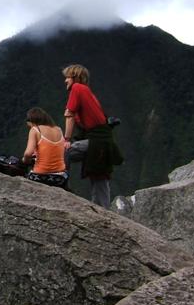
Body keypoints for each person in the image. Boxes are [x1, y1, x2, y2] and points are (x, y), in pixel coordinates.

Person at [61, 63, 123, 208]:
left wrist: (67, 139)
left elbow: (69, 115)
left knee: (65, 151)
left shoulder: (77, 88)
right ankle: (103, 212)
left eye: (68, 77)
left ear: (75, 77)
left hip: (97, 142)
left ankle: (60, 184)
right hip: (102, 142)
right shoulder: (87, 91)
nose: (65, 80)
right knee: (99, 177)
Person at [21, 107, 69, 190]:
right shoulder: (59, 129)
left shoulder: (35, 130)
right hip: (60, 177)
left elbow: (28, 153)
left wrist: (25, 160)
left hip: (41, 176)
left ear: (32, 121)